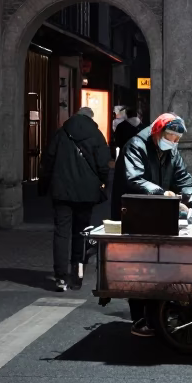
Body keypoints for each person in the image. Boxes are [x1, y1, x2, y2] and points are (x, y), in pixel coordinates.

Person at [111, 113, 192, 337]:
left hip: (158, 212)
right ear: (157, 132)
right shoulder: (136, 145)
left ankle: (158, 315)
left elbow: (183, 177)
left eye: (177, 139)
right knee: (139, 266)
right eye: (170, 137)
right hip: (135, 212)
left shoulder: (171, 150)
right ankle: (140, 318)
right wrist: (163, 193)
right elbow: (134, 179)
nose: (173, 142)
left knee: (160, 264)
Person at [39, 105, 111, 292]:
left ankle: (60, 277)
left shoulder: (60, 133)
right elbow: (103, 164)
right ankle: (77, 277)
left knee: (61, 233)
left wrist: (43, 186)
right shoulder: (96, 135)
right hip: (86, 192)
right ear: (91, 118)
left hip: (61, 191)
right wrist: (104, 183)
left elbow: (48, 161)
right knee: (81, 234)